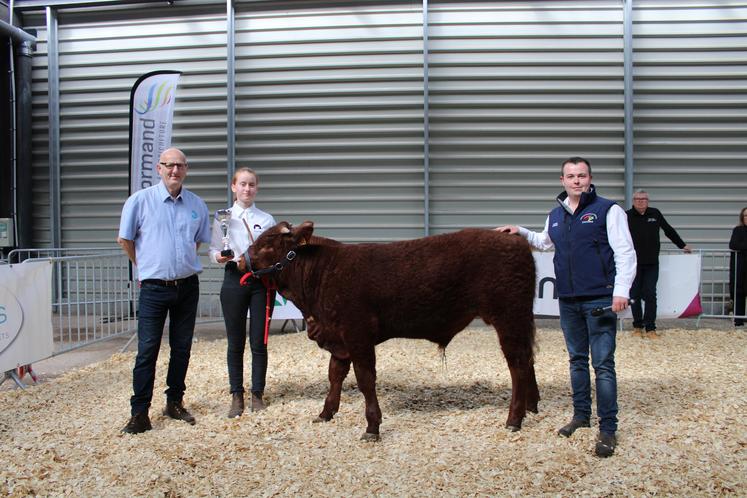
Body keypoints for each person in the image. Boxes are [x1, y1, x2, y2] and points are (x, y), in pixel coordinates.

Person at [495, 156, 636, 458]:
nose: (576, 181)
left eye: (581, 175)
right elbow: (545, 241)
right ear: (562, 180)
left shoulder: (608, 210)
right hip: (570, 299)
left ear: (590, 178)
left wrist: (620, 291)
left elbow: (626, 252)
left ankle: (608, 428)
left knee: (603, 365)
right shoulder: (555, 215)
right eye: (570, 176)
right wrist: (519, 231)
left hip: (600, 298)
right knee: (575, 360)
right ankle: (581, 416)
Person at [117, 147, 211, 434]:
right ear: (159, 168)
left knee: (182, 348)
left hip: (187, 286)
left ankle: (174, 402)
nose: (174, 171)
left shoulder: (197, 205)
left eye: (180, 166)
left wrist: (177, 263)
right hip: (154, 288)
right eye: (169, 165)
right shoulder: (139, 202)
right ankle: (139, 412)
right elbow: (125, 239)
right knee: (147, 350)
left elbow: (197, 242)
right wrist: (146, 265)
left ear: (186, 170)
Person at [209, 167, 276, 418]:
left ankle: (257, 393)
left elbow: (271, 253)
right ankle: (236, 394)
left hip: (259, 283)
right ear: (233, 187)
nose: (247, 189)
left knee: (259, 342)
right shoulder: (223, 217)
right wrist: (220, 256)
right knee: (235, 342)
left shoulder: (266, 219)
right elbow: (213, 249)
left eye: (252, 185)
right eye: (243, 184)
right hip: (233, 281)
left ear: (256, 188)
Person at [626, 190, 692, 338]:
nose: (641, 202)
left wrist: (681, 245)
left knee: (650, 293)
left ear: (648, 201)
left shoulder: (655, 213)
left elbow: (668, 230)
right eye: (637, 199)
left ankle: (650, 328)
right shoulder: (626, 216)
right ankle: (637, 326)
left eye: (643, 199)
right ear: (633, 201)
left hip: (651, 263)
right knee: (634, 294)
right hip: (633, 263)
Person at [729, 207, 747, 327]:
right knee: (739, 292)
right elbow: (733, 244)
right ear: (742, 217)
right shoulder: (738, 230)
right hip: (740, 267)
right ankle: (739, 320)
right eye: (745, 215)